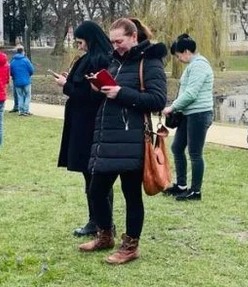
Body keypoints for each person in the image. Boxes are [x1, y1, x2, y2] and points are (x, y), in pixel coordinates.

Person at [81, 17, 167, 265]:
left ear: (134, 37)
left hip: (132, 140)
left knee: (131, 195)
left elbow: (157, 100)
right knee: (96, 190)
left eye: (119, 41)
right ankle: (105, 234)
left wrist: (121, 93)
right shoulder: (113, 61)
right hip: (107, 137)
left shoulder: (149, 62)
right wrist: (99, 88)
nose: (115, 46)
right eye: (112, 42)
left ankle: (130, 246)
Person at [53, 21, 113, 236]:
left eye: (80, 41)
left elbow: (89, 94)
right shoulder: (96, 58)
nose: (78, 45)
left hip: (88, 122)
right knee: (92, 176)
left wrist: (66, 85)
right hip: (83, 120)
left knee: (94, 175)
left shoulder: (98, 60)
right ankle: (99, 220)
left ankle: (99, 221)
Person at [161, 33, 214, 201]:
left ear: (185, 51)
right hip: (189, 114)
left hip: (199, 114)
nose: (178, 59)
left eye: (178, 56)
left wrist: (172, 107)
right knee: (177, 147)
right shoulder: (192, 65)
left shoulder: (199, 66)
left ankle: (195, 191)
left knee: (195, 153)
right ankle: (181, 185)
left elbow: (191, 93)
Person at [9, 45, 36, 115]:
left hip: (17, 82)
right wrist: (28, 75)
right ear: (23, 52)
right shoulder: (26, 60)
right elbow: (31, 70)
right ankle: (26, 110)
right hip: (26, 80)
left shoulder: (13, 61)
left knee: (20, 96)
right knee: (27, 96)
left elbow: (10, 72)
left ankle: (20, 111)